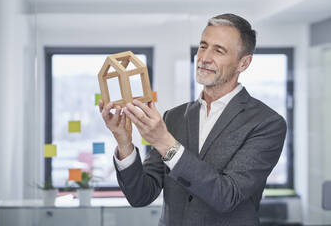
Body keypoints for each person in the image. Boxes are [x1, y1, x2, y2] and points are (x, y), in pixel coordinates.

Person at [99, 13, 287, 226]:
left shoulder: (266, 123)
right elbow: (141, 195)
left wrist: (164, 142)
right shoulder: (174, 116)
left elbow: (227, 196)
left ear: (243, 63)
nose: (204, 57)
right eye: (203, 46)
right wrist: (124, 142)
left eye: (218, 50)